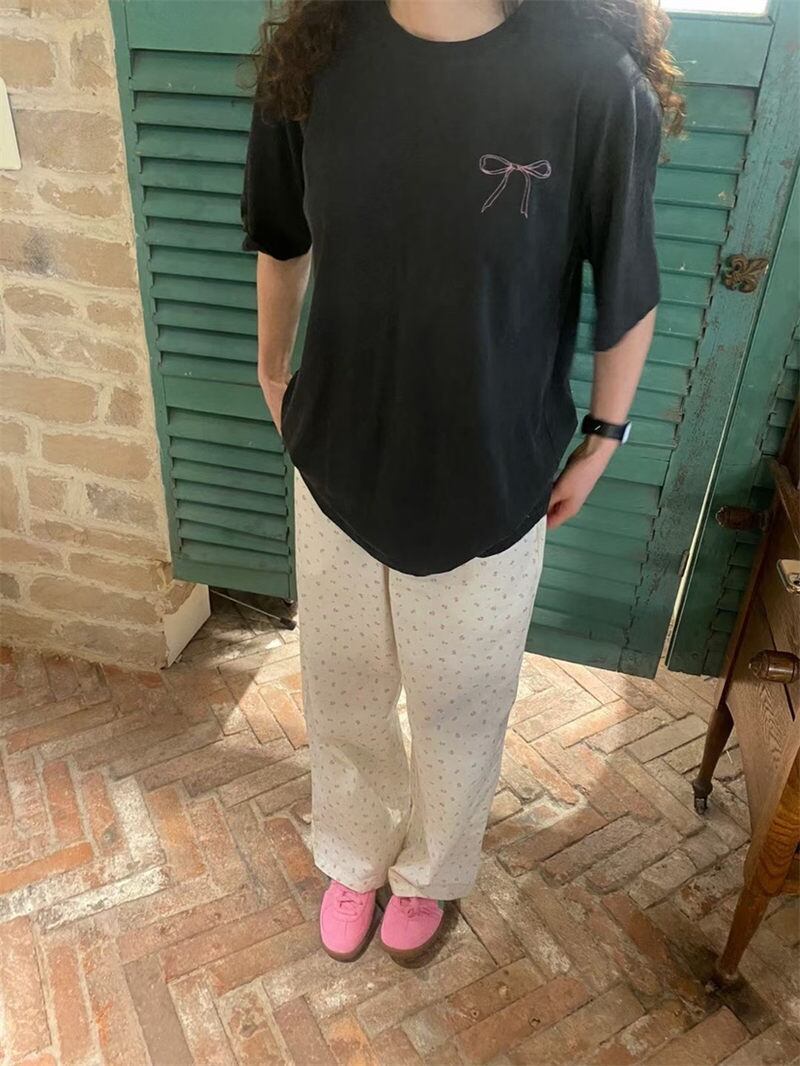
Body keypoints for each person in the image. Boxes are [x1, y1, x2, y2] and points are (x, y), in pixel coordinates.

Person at [241, 0, 682, 964]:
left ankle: (433, 872)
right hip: (341, 450)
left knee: (462, 696)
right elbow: (281, 234)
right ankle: (353, 851)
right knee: (344, 684)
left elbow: (627, 277)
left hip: (493, 463)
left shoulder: (591, 80)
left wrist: (605, 434)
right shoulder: (317, 53)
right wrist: (272, 370)